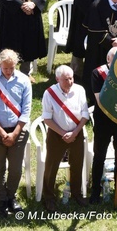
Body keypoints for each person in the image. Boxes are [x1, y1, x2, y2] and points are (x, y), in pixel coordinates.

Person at [0, 49, 32, 217]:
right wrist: (3, 133)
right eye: (5, 68)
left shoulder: (24, 80)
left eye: (11, 68)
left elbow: (27, 110)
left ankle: (11, 197)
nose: (9, 71)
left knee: (16, 169)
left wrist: (14, 134)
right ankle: (1, 199)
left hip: (18, 131)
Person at [42, 65, 89, 211]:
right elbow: (47, 119)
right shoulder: (49, 93)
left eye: (71, 78)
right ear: (57, 79)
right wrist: (63, 133)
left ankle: (76, 193)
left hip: (76, 132)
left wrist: (75, 133)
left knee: (77, 163)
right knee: (51, 166)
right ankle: (48, 197)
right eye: (65, 79)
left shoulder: (80, 90)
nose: (69, 82)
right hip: (57, 134)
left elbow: (85, 114)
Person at [89, 47, 117, 204]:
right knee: (99, 156)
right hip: (103, 122)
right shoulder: (97, 74)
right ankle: (95, 191)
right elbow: (101, 101)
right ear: (108, 60)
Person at [83, 0, 117, 103]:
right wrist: (111, 41)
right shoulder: (97, 6)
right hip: (99, 48)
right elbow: (95, 31)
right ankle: (95, 99)